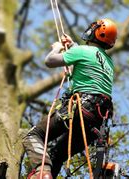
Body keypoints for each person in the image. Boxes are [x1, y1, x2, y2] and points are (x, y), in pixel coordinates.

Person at [23, 18, 118, 178]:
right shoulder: (109, 62)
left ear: (95, 32)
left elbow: (50, 61)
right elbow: (86, 64)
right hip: (97, 122)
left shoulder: (82, 51)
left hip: (80, 108)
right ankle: (47, 174)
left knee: (34, 135)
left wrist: (57, 48)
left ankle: (41, 172)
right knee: (56, 155)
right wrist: (72, 45)